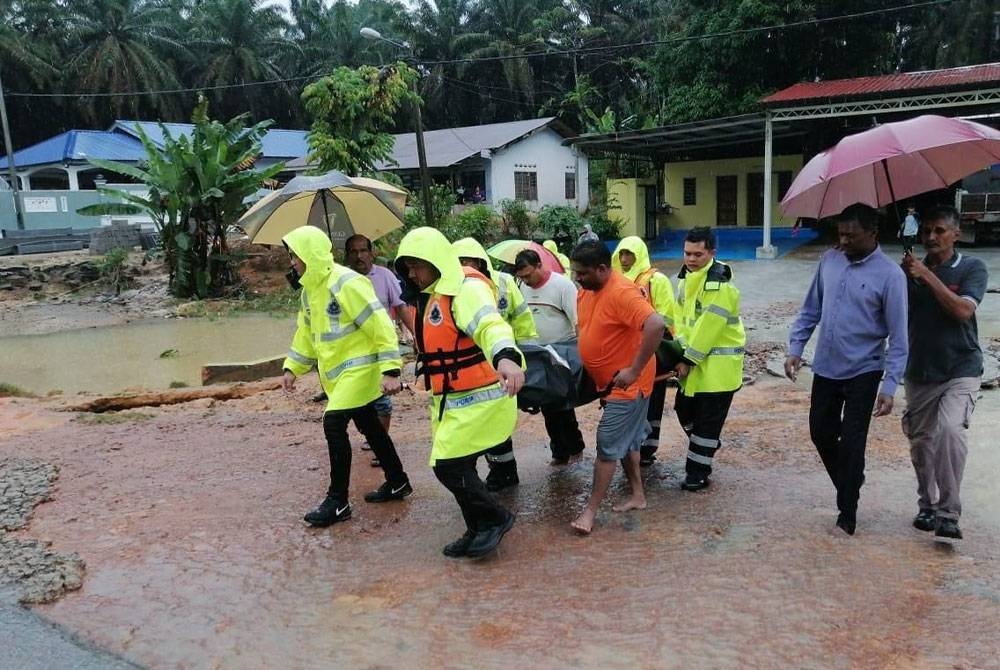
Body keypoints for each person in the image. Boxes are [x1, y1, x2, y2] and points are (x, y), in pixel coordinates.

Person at [395, 227, 525, 559]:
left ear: (436, 261)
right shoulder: (432, 294)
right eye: (408, 268)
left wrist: (507, 357)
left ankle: (495, 519)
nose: (413, 274)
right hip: (451, 400)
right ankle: (476, 526)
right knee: (455, 464)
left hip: (480, 397)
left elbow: (490, 325)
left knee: (448, 466)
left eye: (417, 266)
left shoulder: (466, 290)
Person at [785, 203, 908, 536]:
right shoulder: (829, 261)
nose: (844, 241)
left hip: (864, 370)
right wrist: (796, 349)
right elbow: (810, 309)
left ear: (873, 233)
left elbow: (899, 337)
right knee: (820, 432)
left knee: (853, 442)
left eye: (852, 235)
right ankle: (851, 479)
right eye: (840, 234)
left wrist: (890, 385)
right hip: (826, 365)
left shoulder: (891, 276)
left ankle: (847, 513)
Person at [280, 226, 413, 528]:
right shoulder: (310, 291)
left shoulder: (347, 282)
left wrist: (391, 369)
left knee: (334, 422)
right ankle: (398, 481)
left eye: (294, 256)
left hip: (361, 371)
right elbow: (306, 334)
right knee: (369, 424)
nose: (292, 262)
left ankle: (337, 501)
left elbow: (380, 325)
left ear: (309, 255)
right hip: (338, 377)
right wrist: (292, 368)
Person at [900, 206, 987, 541]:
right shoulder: (910, 272)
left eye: (939, 231)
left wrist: (926, 276)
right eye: (926, 232)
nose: (931, 237)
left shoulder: (971, 267)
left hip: (960, 368)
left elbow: (963, 311)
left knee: (951, 432)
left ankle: (949, 514)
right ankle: (928, 505)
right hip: (919, 369)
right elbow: (893, 313)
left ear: (956, 233)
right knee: (921, 444)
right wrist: (902, 278)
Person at [569, 240, 665, 535]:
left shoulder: (622, 292)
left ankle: (589, 512)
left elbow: (656, 324)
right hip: (608, 384)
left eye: (582, 273)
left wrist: (634, 369)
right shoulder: (588, 290)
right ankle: (638, 495)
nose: (577, 278)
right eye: (575, 272)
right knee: (628, 440)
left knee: (608, 445)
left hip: (629, 386)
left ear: (602, 268)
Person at [452, 237, 538, 492]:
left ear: (479, 261)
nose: (463, 267)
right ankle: (496, 472)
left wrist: (527, 357)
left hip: (504, 362)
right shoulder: (454, 287)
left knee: (497, 422)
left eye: (466, 261)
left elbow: (522, 320)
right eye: (458, 262)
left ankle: (504, 473)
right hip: (473, 366)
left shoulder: (504, 282)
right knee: (480, 422)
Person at [672, 227, 745, 492]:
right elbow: (681, 320)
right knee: (683, 410)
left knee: (705, 424)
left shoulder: (719, 284)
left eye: (697, 254)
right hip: (696, 364)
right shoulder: (686, 279)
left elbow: (708, 328)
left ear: (712, 253)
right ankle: (708, 442)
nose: (691, 259)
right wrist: (679, 350)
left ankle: (697, 475)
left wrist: (687, 360)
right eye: (687, 253)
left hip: (718, 370)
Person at [338, 234, 417, 466]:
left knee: (382, 399)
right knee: (359, 400)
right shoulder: (341, 280)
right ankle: (374, 436)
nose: (359, 256)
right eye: (354, 251)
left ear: (372, 253)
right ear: (347, 255)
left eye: (364, 250)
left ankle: (380, 445)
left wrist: (416, 335)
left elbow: (400, 306)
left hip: (381, 349)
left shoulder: (385, 276)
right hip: (351, 352)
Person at [512, 248, 585, 464]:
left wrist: (582, 353)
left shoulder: (562, 286)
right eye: (521, 277)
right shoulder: (521, 287)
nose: (526, 281)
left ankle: (575, 447)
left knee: (563, 403)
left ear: (539, 266)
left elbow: (578, 321)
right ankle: (559, 451)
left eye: (528, 275)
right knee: (545, 404)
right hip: (536, 355)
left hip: (562, 355)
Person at [612, 236, 676, 466]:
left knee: (653, 398)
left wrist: (664, 345)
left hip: (651, 350)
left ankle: (647, 448)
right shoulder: (615, 280)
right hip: (624, 352)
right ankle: (629, 446)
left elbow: (667, 316)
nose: (624, 258)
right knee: (627, 399)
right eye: (621, 254)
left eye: (629, 254)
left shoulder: (655, 280)